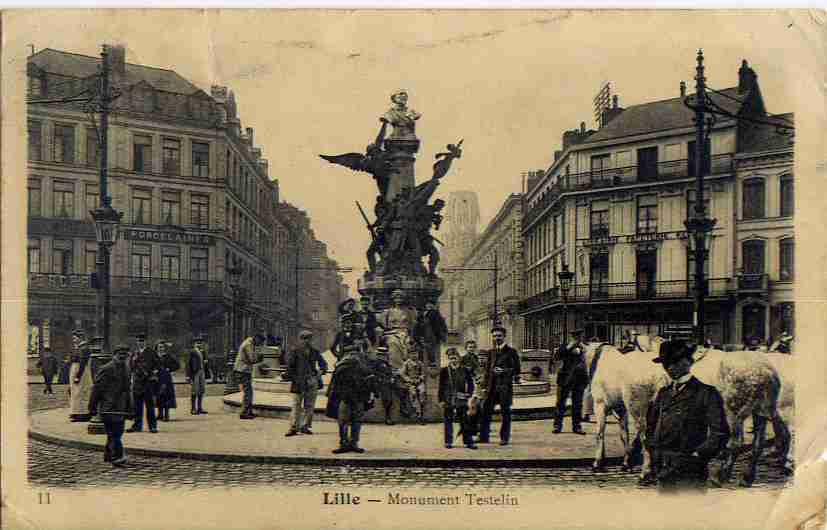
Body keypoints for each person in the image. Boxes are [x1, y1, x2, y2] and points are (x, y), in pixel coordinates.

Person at [644, 339, 730, 492]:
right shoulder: (663, 393)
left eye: (675, 362)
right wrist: (653, 451)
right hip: (663, 468)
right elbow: (651, 425)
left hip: (690, 470)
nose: (670, 367)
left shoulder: (706, 393)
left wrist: (699, 455)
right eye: (665, 363)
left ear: (688, 362)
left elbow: (720, 432)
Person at [88, 344, 134, 467]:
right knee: (115, 433)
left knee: (116, 432)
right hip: (109, 407)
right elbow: (96, 389)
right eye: (120, 354)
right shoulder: (106, 369)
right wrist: (92, 407)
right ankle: (117, 457)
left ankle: (108, 455)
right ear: (114, 355)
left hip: (121, 407)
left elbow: (127, 389)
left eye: (125, 355)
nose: (123, 357)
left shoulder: (126, 368)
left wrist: (130, 407)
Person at [325, 347, 375, 454]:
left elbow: (334, 386)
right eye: (352, 353)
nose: (353, 355)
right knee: (351, 421)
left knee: (346, 421)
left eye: (355, 353)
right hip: (351, 398)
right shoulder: (362, 366)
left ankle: (347, 443)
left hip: (350, 398)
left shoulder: (343, 366)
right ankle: (350, 443)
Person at [478, 326, 521, 446]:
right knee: (485, 411)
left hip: (504, 387)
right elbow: (487, 371)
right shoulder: (491, 352)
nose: (497, 338)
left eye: (499, 336)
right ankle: (483, 437)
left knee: (505, 413)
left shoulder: (511, 352)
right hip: (491, 388)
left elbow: (517, 370)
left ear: (504, 336)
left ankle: (504, 438)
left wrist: (503, 371)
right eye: (495, 336)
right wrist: (485, 386)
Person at [284, 330, 328, 436]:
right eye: (304, 338)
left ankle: (305, 426)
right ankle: (294, 427)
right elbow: (290, 367)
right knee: (296, 405)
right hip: (298, 382)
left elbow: (324, 364)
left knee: (309, 406)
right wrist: (293, 377)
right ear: (300, 339)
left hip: (311, 381)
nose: (306, 341)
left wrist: (319, 373)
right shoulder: (295, 351)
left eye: (308, 338)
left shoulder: (314, 351)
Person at [552, 329, 589, 435]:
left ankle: (577, 427)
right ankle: (557, 426)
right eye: (575, 337)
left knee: (577, 404)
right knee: (560, 403)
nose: (577, 339)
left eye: (579, 337)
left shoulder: (585, 348)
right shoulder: (565, 346)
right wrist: (569, 347)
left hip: (580, 380)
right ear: (571, 337)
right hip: (565, 379)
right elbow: (557, 357)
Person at [439, 348, 477, 450]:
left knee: (464, 420)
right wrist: (441, 400)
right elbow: (441, 386)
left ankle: (468, 442)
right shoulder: (444, 371)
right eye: (451, 358)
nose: (453, 360)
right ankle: (448, 442)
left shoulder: (465, 370)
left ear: (458, 358)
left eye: (455, 358)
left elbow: (470, 384)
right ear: (448, 359)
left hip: (461, 399)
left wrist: (468, 394)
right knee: (448, 421)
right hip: (448, 399)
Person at [127, 332, 161, 433]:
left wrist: (154, 373)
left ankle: (152, 426)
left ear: (145, 341)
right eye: (138, 341)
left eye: (142, 341)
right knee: (137, 406)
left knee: (150, 406)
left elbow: (158, 365)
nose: (140, 342)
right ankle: (137, 426)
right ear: (136, 342)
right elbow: (131, 367)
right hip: (137, 382)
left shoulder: (151, 352)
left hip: (147, 382)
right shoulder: (134, 353)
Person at [233, 333, 265, 419]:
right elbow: (252, 359)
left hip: (244, 370)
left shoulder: (250, 343)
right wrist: (259, 358)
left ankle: (248, 411)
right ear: (256, 338)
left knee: (249, 392)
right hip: (242, 370)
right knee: (248, 392)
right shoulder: (248, 344)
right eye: (260, 342)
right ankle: (244, 413)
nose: (260, 344)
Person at [68, 329, 94, 422]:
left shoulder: (84, 348)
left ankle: (83, 414)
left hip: (81, 371)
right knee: (75, 391)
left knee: (81, 391)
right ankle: (76, 412)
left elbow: (82, 363)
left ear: (80, 338)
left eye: (75, 338)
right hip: (76, 369)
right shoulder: (79, 347)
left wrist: (78, 376)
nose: (74, 340)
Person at [414, 301, 448, 367]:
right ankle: (430, 363)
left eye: (430, 304)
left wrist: (441, 336)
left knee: (430, 351)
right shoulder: (424, 314)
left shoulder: (434, 313)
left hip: (431, 334)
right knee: (427, 352)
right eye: (427, 304)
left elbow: (440, 326)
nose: (429, 306)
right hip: (427, 335)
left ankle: (431, 363)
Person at [155, 340, 180, 422]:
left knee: (166, 396)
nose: (161, 349)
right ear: (156, 348)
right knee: (159, 396)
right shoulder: (154, 356)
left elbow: (177, 365)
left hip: (166, 378)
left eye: (162, 347)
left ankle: (166, 415)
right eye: (159, 347)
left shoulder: (168, 356)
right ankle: (159, 414)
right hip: (157, 378)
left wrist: (169, 369)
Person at [186, 334, 209, 415]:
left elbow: (205, 362)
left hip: (202, 372)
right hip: (195, 373)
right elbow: (188, 364)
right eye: (197, 343)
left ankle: (199, 408)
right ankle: (193, 408)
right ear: (194, 344)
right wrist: (188, 376)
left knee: (201, 390)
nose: (199, 344)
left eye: (200, 343)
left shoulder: (203, 352)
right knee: (194, 390)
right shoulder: (192, 352)